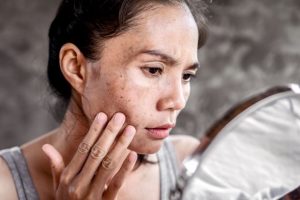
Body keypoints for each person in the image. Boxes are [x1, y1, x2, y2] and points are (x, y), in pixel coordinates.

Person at [0, 0, 207, 199]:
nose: (177, 101)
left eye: (186, 75)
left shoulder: (189, 166)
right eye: (153, 69)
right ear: (76, 68)